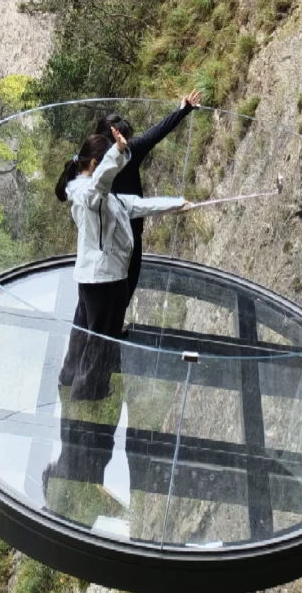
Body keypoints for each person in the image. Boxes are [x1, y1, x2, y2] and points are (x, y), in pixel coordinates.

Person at [55, 127, 198, 401]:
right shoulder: (91, 195)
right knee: (102, 339)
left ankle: (69, 377)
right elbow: (102, 182)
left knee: (85, 331)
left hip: (94, 279)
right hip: (106, 281)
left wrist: (175, 204)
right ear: (97, 165)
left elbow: (135, 206)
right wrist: (117, 152)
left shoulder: (95, 196)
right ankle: (89, 393)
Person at [92, 92, 202, 302]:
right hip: (129, 231)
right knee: (126, 282)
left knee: (104, 284)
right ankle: (114, 321)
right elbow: (156, 133)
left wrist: (182, 110)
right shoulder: (129, 153)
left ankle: (106, 324)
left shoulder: (91, 161)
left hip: (103, 233)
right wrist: (183, 110)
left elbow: (155, 133)